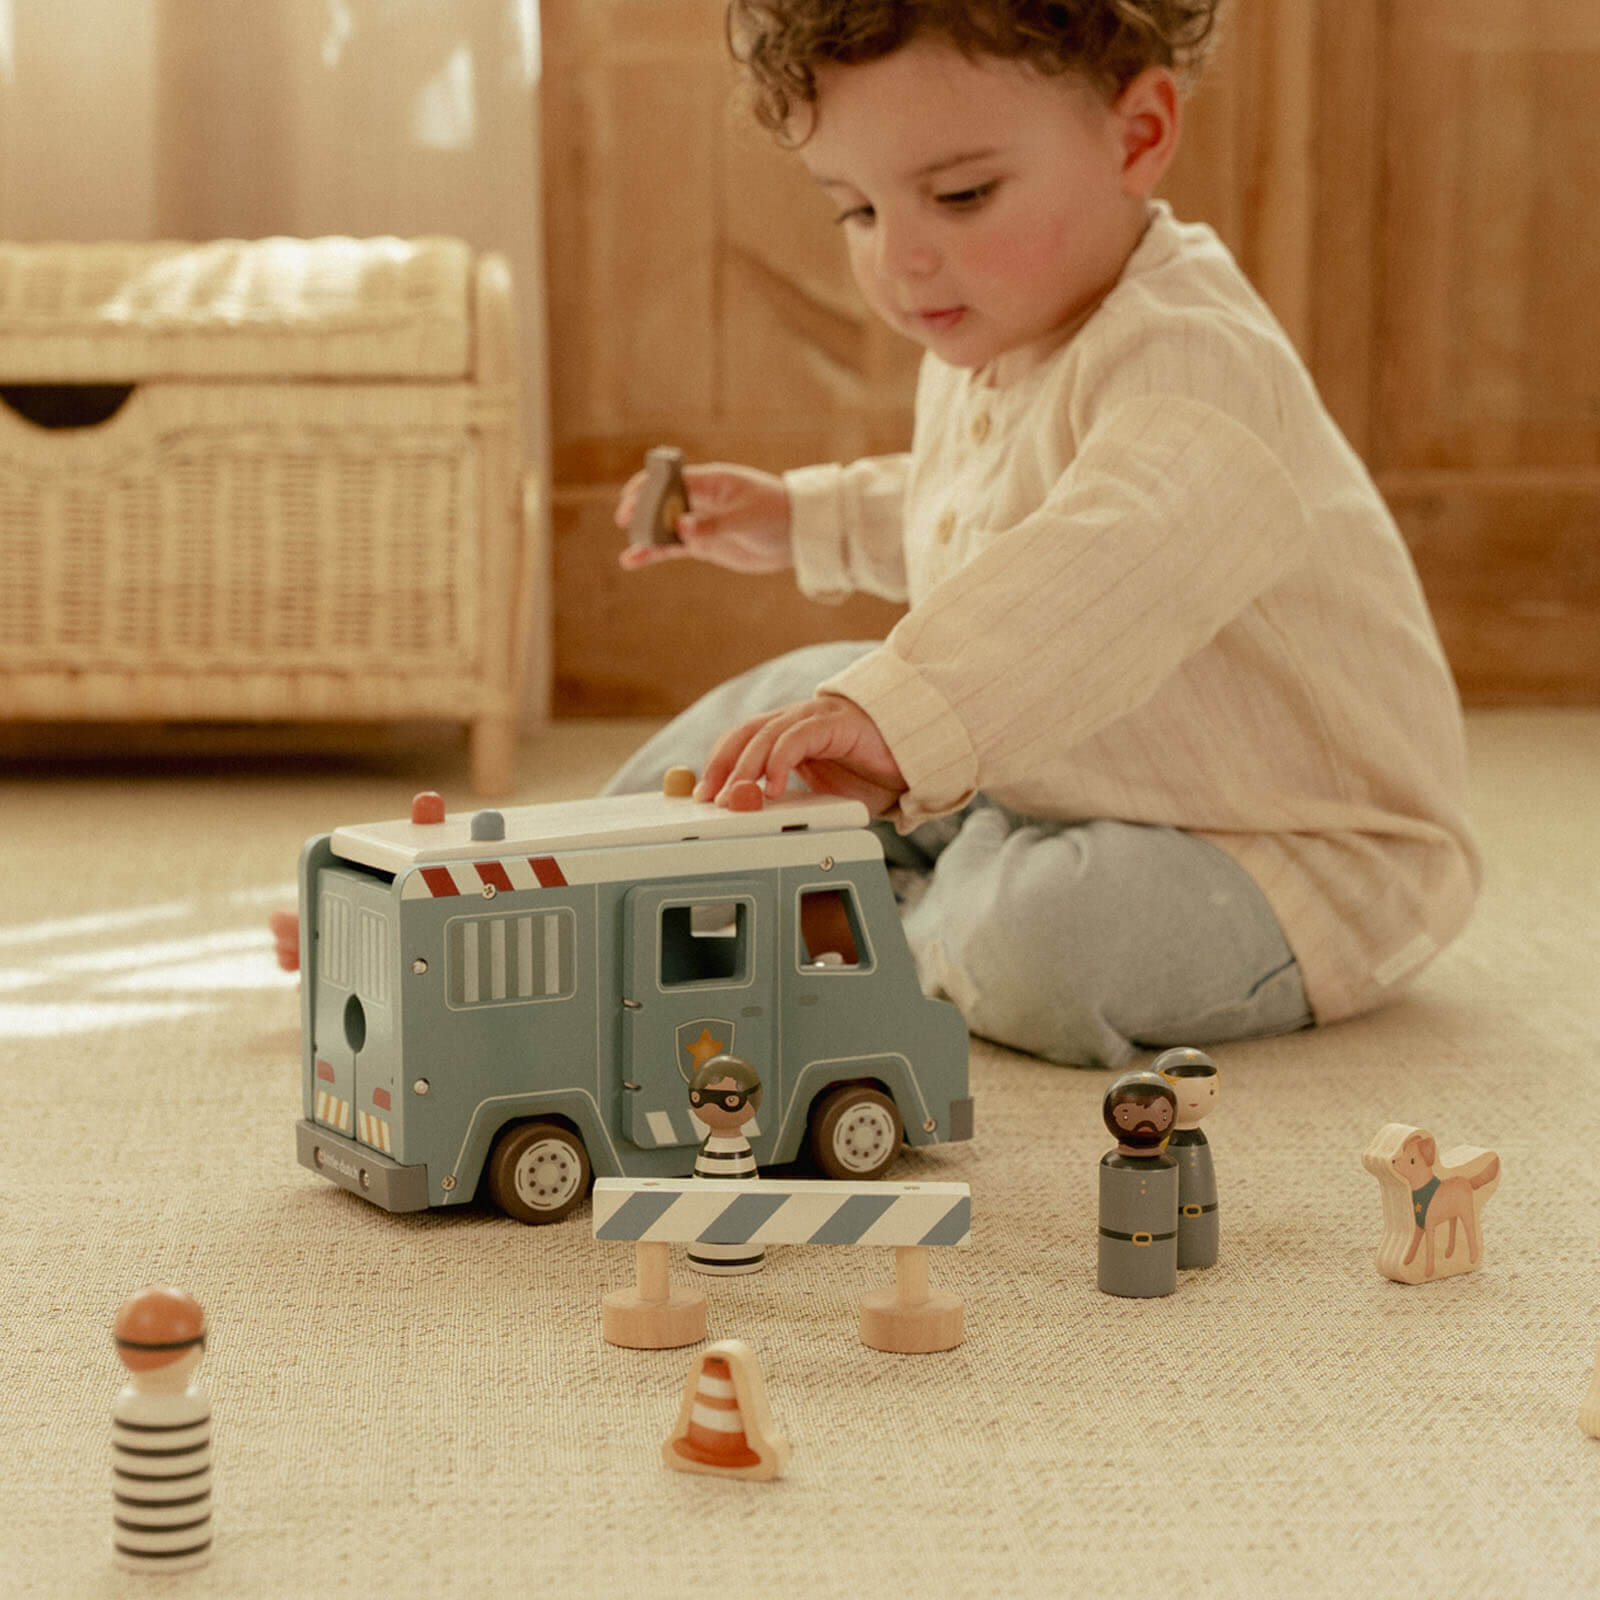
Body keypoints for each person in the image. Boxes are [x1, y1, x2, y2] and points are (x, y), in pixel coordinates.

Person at [607, 0, 1478, 1068]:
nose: (901, 260)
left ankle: (883, 912)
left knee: (1032, 948)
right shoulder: (1002, 325)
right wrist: (804, 517)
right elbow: (985, 517)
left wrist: (893, 723)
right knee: (784, 705)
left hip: (1278, 850)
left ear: (1138, 135)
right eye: (857, 211)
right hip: (1054, 772)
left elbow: (1103, 566)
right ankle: (606, 874)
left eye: (961, 196)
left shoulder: (1197, 362)